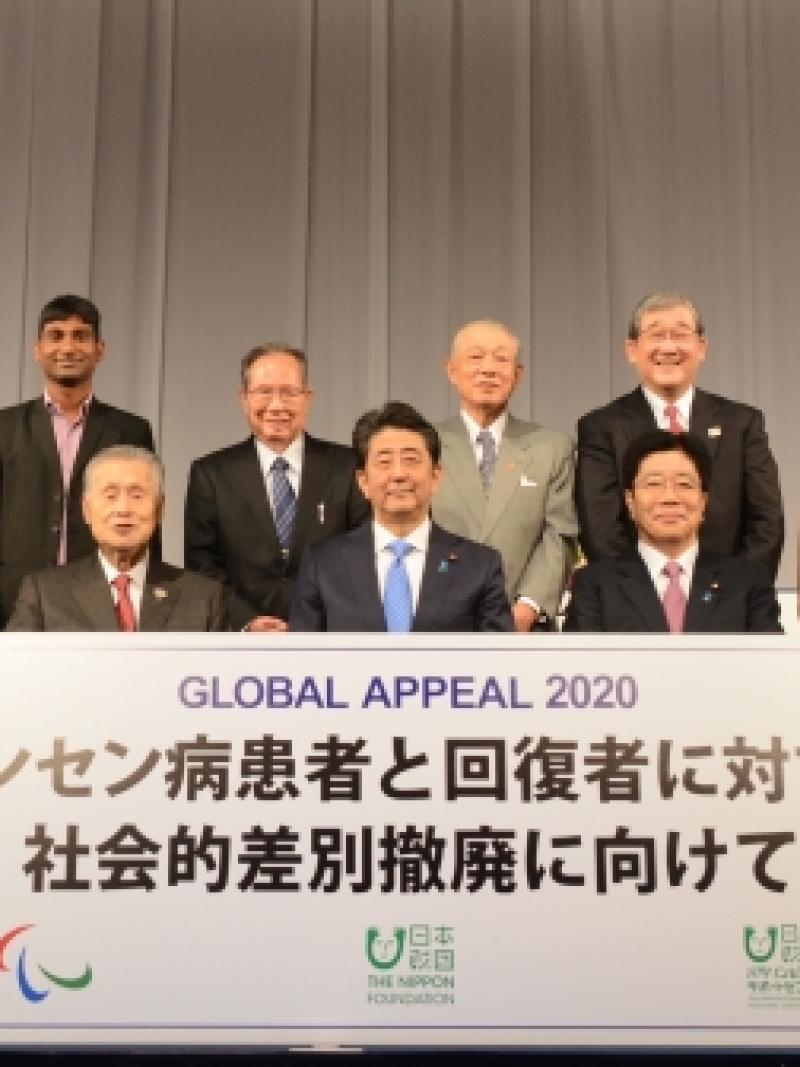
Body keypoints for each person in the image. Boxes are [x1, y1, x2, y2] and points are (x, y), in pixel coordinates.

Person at [576, 291, 784, 580]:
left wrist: (736, 596)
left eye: (680, 334)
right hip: (634, 610)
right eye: (657, 335)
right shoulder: (601, 427)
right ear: (632, 350)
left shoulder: (741, 423)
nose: (669, 347)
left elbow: (766, 522)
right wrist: (643, 598)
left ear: (702, 347)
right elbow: (599, 530)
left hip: (728, 606)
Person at [185, 343, 369, 631]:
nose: (276, 405)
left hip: (330, 634)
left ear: (308, 398)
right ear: (243, 398)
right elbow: (202, 566)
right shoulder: (211, 474)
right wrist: (247, 621)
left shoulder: (347, 466)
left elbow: (363, 553)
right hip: (244, 641)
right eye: (264, 392)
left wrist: (314, 619)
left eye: (288, 392)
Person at [0, 294, 157, 625]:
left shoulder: (129, 429)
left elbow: (146, 523)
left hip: (99, 603)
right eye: (56, 335)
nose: (68, 348)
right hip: (11, 601)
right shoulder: (5, 427)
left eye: (80, 336)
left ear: (100, 349)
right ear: (37, 349)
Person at [290, 402, 514, 632]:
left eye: (411, 460)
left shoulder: (479, 566)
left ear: (436, 476)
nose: (398, 474)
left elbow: (500, 662)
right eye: (384, 462)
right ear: (363, 481)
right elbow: (302, 659)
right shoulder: (323, 564)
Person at [431, 320, 577, 631]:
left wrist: (527, 607)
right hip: (436, 625)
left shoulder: (551, 447)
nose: (488, 369)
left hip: (523, 630)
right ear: (451, 370)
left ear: (518, 374)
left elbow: (559, 536)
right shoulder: (424, 444)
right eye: (475, 357)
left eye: (501, 359)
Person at [564, 430, 781, 633]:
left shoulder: (747, 582)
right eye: (654, 484)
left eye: (684, 485)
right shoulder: (595, 585)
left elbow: (771, 666)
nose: (670, 497)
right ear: (630, 502)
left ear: (704, 501)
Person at [7, 446, 226, 631]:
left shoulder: (204, 597)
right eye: (110, 496)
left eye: (137, 495)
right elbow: (14, 671)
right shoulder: (44, 593)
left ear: (160, 509)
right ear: (86, 509)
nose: (123, 509)